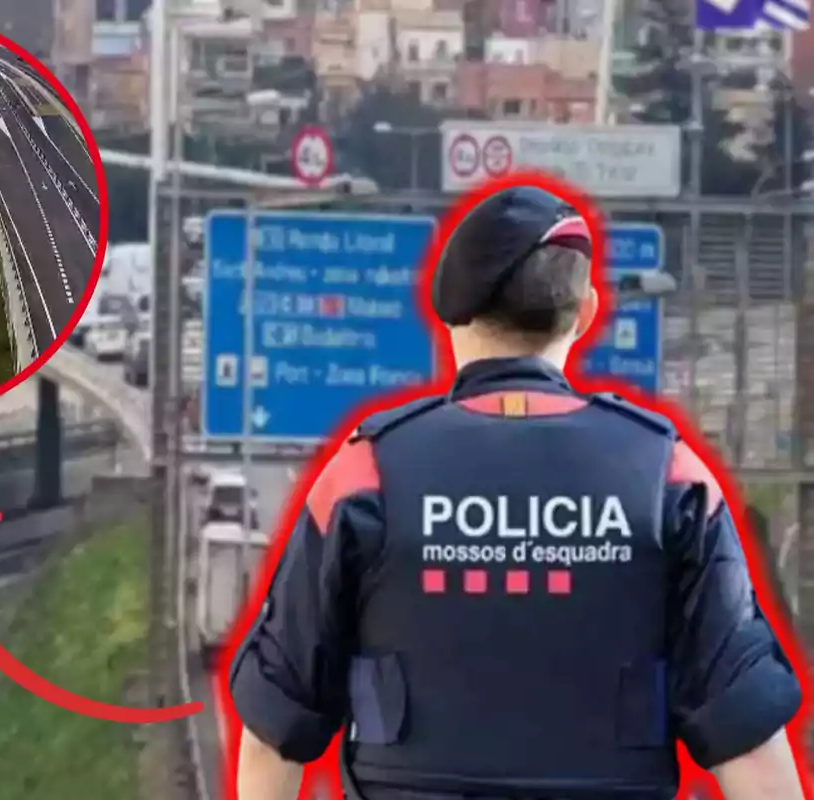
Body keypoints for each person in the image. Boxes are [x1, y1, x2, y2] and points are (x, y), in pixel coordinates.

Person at [228, 184, 805, 800]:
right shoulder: (669, 477)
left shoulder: (365, 475)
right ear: (584, 312)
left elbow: (274, 733)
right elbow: (748, 739)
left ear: (448, 311)